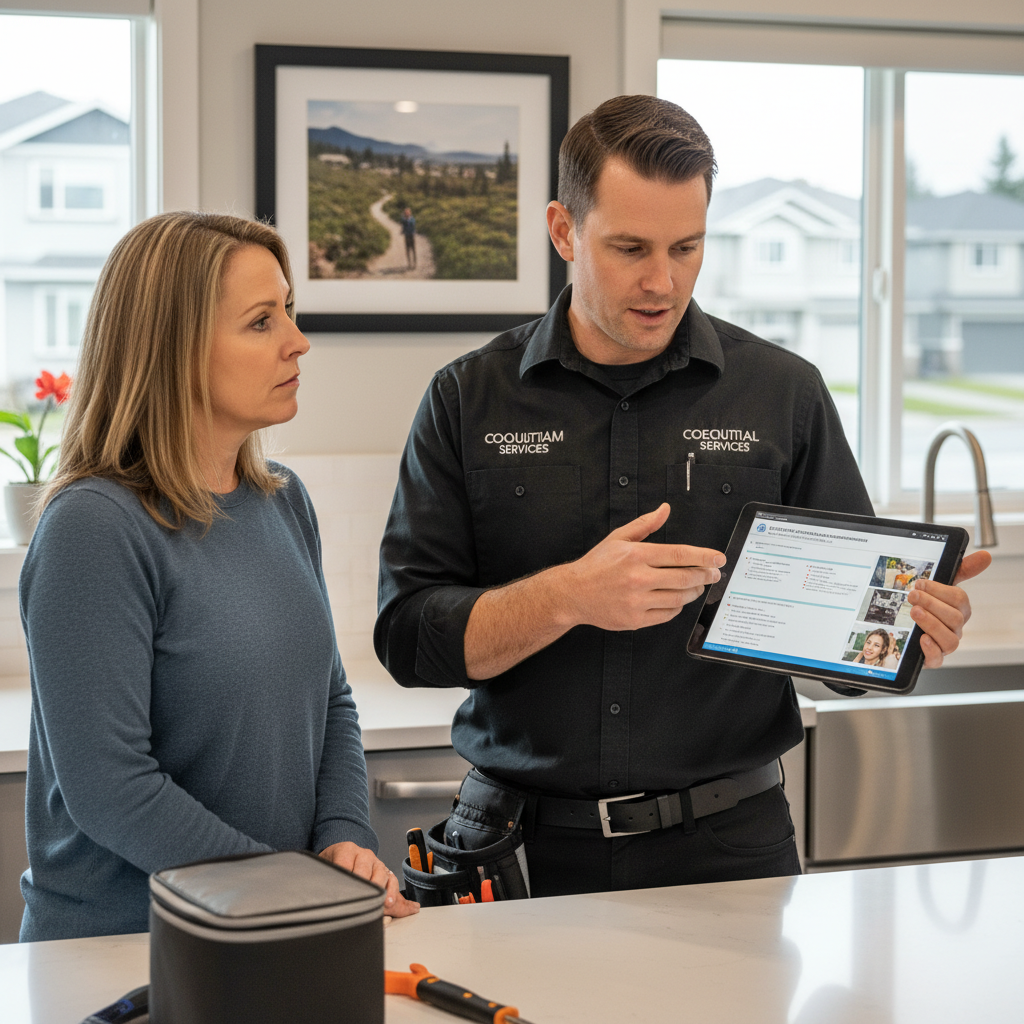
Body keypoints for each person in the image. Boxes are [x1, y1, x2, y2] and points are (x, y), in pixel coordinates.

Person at [374, 95, 990, 898]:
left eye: (687, 247)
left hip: (730, 850)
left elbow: (850, 646)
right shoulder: (467, 398)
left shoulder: (784, 393)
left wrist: (904, 633)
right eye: (628, 247)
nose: (661, 281)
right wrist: (568, 596)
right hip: (519, 851)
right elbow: (408, 642)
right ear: (564, 230)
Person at [20, 211, 417, 942]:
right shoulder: (94, 527)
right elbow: (112, 791)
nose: (298, 342)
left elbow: (330, 701)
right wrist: (298, 889)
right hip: (128, 951)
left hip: (273, 932)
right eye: (262, 322)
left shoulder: (283, 500)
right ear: (173, 349)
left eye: (289, 311)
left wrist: (344, 839)